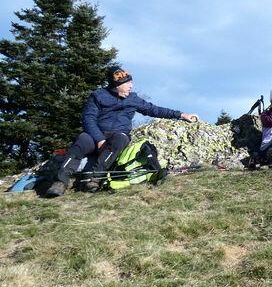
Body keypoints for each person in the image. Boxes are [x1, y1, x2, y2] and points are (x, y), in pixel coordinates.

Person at [46, 67, 199, 197]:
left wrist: (181, 115)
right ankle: (60, 182)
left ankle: (94, 178)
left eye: (130, 82)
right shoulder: (98, 96)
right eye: (127, 83)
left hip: (117, 136)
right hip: (95, 135)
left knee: (121, 139)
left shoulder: (133, 99)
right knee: (82, 141)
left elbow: (154, 110)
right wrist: (99, 139)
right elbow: (88, 119)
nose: (131, 86)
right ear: (116, 85)